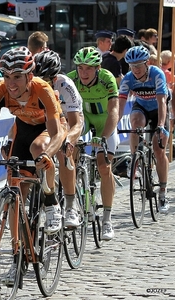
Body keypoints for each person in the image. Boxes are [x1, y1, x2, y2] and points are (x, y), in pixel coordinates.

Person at [0, 46, 66, 234]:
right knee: (16, 188)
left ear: (29, 76)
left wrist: (46, 155)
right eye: (7, 76)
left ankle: (52, 203)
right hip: (24, 127)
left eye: (17, 76)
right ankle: (17, 250)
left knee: (39, 148)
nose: (11, 83)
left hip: (48, 127)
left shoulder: (42, 89)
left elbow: (57, 134)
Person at [67, 46, 119, 241]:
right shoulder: (71, 79)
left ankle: (107, 219)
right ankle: (71, 206)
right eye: (80, 68)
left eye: (88, 68)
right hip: (85, 119)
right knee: (69, 152)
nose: (83, 72)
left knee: (104, 166)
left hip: (105, 120)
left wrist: (104, 137)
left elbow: (114, 110)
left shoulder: (107, 78)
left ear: (97, 68)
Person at [33, 49, 84, 227]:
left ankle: (71, 206)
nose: (41, 83)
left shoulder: (65, 85)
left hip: (69, 119)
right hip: (47, 119)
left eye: (46, 80)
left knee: (64, 151)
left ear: (55, 78)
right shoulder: (32, 85)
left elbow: (75, 123)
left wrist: (69, 140)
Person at [119, 46, 170, 214]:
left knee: (158, 149)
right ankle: (136, 159)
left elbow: (162, 102)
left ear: (147, 63)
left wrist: (161, 125)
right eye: (132, 66)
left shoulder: (157, 74)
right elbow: (120, 107)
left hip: (158, 111)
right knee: (135, 122)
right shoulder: (128, 78)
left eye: (139, 65)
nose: (136, 70)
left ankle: (162, 192)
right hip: (141, 107)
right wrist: (113, 126)